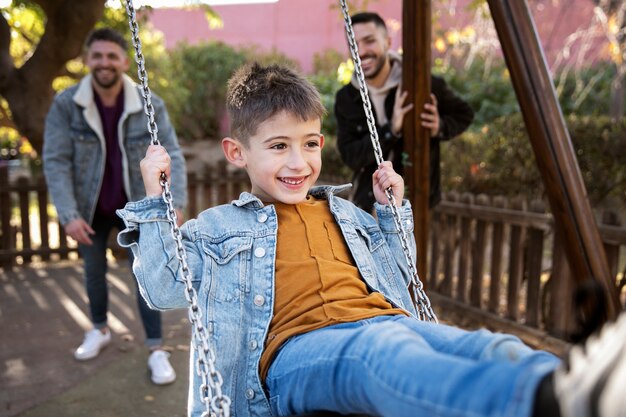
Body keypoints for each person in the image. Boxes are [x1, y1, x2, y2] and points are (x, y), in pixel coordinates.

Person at [117, 62, 626, 417]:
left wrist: (390, 212)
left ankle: (594, 388)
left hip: (383, 320)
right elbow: (163, 289)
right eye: (278, 146)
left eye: (310, 143)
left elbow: (404, 274)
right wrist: (153, 204)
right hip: (295, 356)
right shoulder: (217, 227)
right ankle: (546, 407)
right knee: (381, 351)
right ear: (236, 152)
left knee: (486, 346)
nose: (299, 162)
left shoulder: (345, 213)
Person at [43, 27, 187, 385]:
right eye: (97, 56)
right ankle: (99, 329)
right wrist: (68, 214)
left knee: (145, 275)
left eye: (111, 56)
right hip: (90, 207)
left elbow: (173, 155)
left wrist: (175, 202)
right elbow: (56, 160)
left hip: (136, 207)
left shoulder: (149, 103)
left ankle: (156, 349)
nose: (104, 63)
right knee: (93, 273)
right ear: (86, 59)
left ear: (124, 61)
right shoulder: (67, 104)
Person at [335, 11, 474, 211]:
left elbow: (464, 113)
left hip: (416, 204)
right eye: (354, 44)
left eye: (369, 41)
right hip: (367, 206)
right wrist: (391, 130)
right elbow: (351, 157)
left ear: (387, 42)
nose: (361, 51)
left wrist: (439, 127)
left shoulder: (420, 84)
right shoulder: (346, 98)